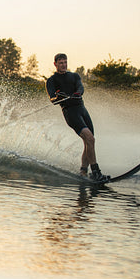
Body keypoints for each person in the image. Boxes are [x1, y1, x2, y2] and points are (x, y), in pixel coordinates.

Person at [45, 53, 109, 182]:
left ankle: (83, 171)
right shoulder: (51, 80)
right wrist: (59, 97)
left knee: (89, 141)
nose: (63, 65)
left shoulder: (74, 76)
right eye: (61, 63)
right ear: (55, 64)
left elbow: (80, 87)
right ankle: (96, 172)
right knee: (90, 138)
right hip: (70, 113)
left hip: (82, 110)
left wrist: (77, 93)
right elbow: (52, 98)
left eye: (65, 62)